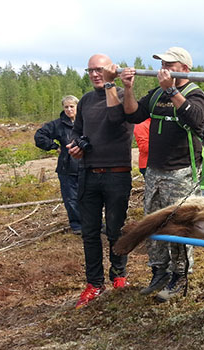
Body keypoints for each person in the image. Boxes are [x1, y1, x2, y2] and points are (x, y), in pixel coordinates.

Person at [115, 47, 204, 302]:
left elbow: (197, 121)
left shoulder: (195, 94)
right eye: (162, 63)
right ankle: (158, 271)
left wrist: (172, 90)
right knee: (152, 223)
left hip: (181, 173)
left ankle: (180, 275)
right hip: (155, 172)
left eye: (171, 63)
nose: (164, 68)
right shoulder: (156, 94)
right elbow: (133, 113)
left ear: (185, 68)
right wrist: (129, 88)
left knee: (178, 226)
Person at [67, 54, 134, 309]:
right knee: (90, 233)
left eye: (99, 70)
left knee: (116, 230)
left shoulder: (120, 94)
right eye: (90, 70)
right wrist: (75, 146)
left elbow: (118, 119)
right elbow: (77, 131)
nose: (95, 74)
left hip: (117, 173)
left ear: (111, 70)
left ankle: (119, 276)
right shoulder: (84, 100)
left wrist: (110, 85)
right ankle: (94, 283)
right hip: (88, 173)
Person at [34, 95, 82, 235]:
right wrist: (54, 146)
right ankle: (77, 225)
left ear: (77, 107)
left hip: (86, 166)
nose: (69, 109)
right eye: (66, 107)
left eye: (72, 106)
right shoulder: (57, 124)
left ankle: (93, 222)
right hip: (67, 167)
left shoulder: (84, 122)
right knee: (71, 198)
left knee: (89, 197)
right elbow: (39, 136)